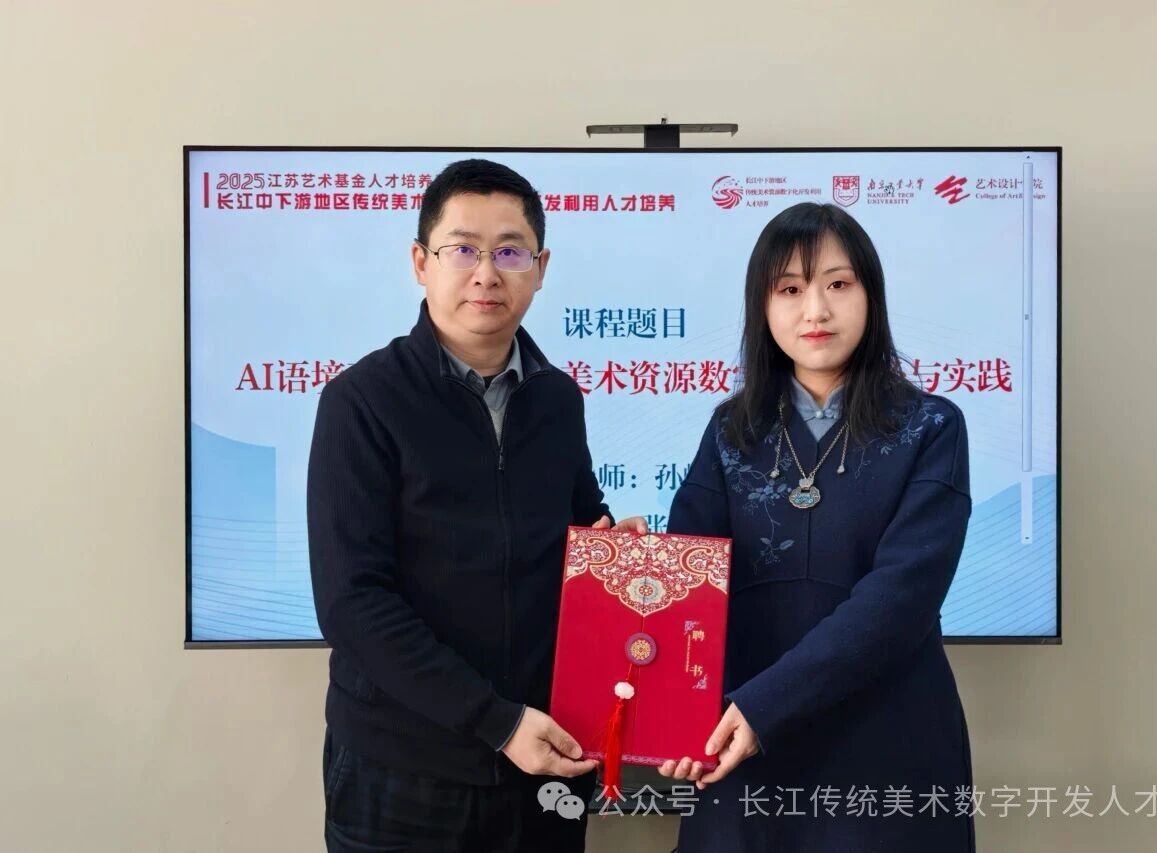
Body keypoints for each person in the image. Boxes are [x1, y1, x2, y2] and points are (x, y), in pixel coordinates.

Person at [307, 158, 647, 852]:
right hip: (402, 769)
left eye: (510, 252)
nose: (487, 273)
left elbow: (580, 525)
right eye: (462, 249)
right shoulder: (362, 402)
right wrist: (497, 721)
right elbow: (351, 603)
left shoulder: (557, 399)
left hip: (544, 757)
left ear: (541, 268)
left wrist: (617, 555)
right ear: (420, 262)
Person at [658, 202, 976, 851]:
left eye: (838, 284)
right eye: (790, 289)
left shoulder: (931, 426)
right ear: (762, 306)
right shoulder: (730, 430)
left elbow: (899, 600)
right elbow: (689, 574)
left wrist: (762, 707)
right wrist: (640, 567)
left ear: (871, 295)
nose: (816, 310)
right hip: (740, 748)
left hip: (884, 747)